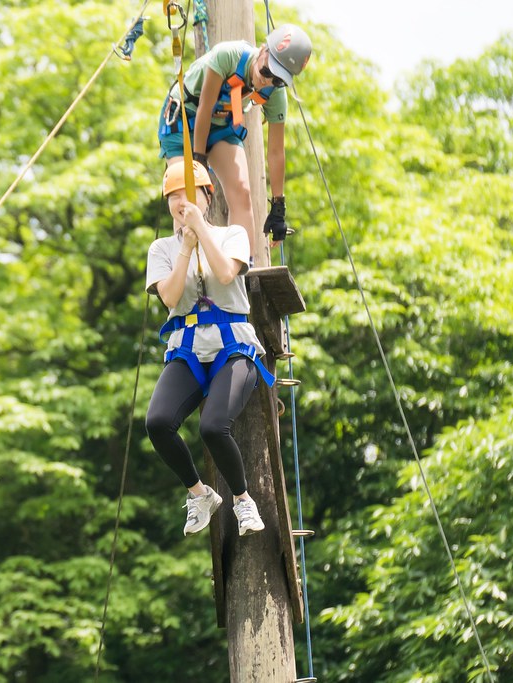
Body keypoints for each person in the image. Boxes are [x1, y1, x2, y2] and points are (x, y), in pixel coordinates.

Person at [144, 160, 276, 537]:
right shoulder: (162, 248)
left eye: (188, 194)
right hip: (187, 346)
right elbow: (169, 297)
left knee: (213, 426)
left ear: (207, 196)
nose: (180, 201)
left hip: (232, 345)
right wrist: (186, 245)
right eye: (173, 196)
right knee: (157, 423)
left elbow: (224, 274)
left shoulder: (233, 234)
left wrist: (201, 230)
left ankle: (242, 500)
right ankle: (199, 494)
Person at [157, 24, 312, 253]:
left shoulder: (276, 95)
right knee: (188, 194)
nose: (268, 82)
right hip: (184, 122)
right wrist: (199, 165)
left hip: (220, 125)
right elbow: (204, 109)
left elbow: (277, 151)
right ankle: (186, 264)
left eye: (278, 80)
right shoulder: (228, 55)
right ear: (262, 50)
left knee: (242, 189)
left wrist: (278, 206)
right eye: (267, 71)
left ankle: (241, 266)